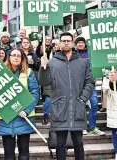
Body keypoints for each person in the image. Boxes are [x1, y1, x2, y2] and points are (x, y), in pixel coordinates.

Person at [39, 32, 95, 160]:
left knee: (78, 143)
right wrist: (43, 68)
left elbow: (90, 81)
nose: (65, 43)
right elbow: (44, 82)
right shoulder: (52, 63)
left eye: (68, 41)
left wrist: (82, 99)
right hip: (60, 108)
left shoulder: (82, 63)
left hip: (77, 107)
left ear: (72, 42)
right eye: (63, 40)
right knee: (60, 144)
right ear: (59, 43)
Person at [0, 48, 39, 160]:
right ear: (8, 57)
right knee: (8, 154)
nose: (16, 57)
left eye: (18, 56)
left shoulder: (28, 72)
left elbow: (35, 93)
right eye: (13, 55)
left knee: (24, 153)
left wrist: (26, 110)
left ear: (22, 58)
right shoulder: (0, 73)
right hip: (6, 117)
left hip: (24, 117)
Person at [75, 37, 105, 136]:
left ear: (85, 44)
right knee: (80, 106)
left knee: (94, 104)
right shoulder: (73, 54)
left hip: (90, 83)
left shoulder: (91, 54)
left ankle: (92, 127)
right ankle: (82, 127)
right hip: (78, 85)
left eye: (82, 42)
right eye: (78, 42)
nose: (80, 44)